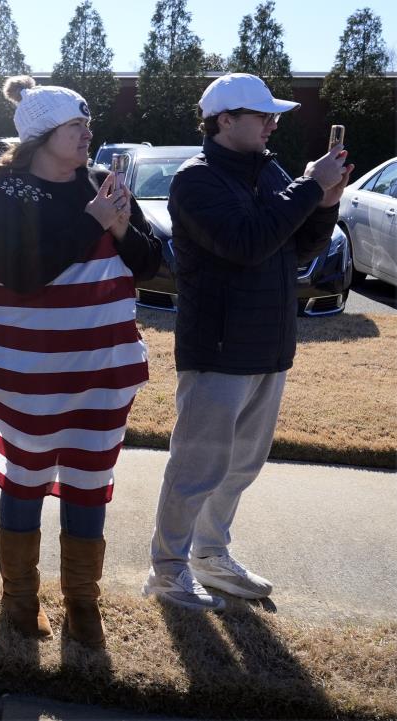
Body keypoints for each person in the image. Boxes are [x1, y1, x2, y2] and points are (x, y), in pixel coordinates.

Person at [143, 73, 351, 611]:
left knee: (241, 465)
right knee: (198, 467)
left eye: (273, 116)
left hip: (268, 343)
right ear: (224, 121)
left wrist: (324, 201)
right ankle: (167, 570)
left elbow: (300, 246)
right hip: (217, 347)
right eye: (262, 116)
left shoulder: (267, 170)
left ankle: (211, 555)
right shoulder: (196, 180)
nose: (272, 124)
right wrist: (307, 187)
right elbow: (246, 242)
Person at [0, 76, 162, 647]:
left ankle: (83, 599)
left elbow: (151, 265)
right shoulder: (4, 192)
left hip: (102, 367)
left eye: (87, 124)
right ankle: (20, 598)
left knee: (88, 479)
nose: (87, 134)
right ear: (42, 135)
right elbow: (23, 275)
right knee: (27, 477)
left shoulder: (106, 186)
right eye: (75, 126)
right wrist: (94, 221)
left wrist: (124, 227)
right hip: (26, 370)